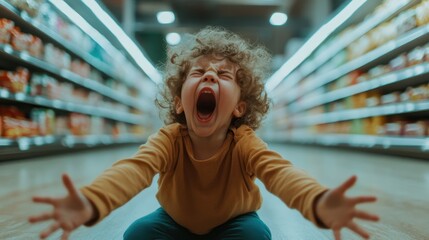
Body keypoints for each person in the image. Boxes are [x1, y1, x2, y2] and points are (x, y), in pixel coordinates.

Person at [29, 26, 379, 240]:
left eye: (224, 76)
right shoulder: (169, 140)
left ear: (240, 107)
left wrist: (317, 201)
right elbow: (133, 170)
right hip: (173, 221)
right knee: (137, 234)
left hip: (234, 223)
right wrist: (91, 201)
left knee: (257, 236)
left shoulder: (244, 143)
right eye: (197, 72)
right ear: (180, 102)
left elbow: (280, 173)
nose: (209, 76)